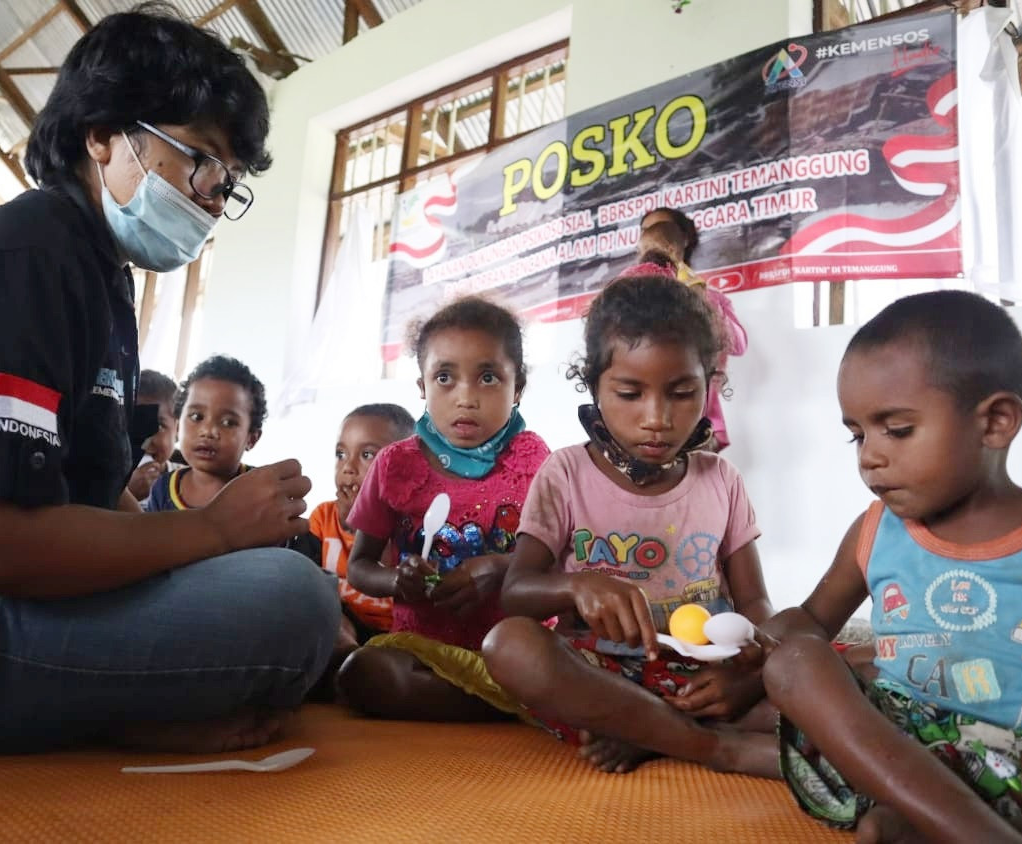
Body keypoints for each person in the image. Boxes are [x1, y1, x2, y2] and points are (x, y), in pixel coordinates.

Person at [0, 6, 338, 756]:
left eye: (228, 182)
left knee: (277, 579)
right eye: (199, 160)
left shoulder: (96, 278)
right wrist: (208, 530)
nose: (212, 196)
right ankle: (111, 717)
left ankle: (108, 708)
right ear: (103, 134)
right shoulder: (18, 259)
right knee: (292, 601)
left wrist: (211, 539)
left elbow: (79, 498)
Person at [757, 291, 1022, 843]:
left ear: (995, 422)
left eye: (896, 430)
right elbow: (809, 621)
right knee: (796, 665)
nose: (869, 456)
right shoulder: (877, 531)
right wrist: (751, 648)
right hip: (904, 752)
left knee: (889, 827)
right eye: (857, 434)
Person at [482, 274, 778, 776]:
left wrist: (748, 668)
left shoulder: (721, 479)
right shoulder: (565, 472)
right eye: (630, 393)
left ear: (710, 385)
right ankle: (711, 747)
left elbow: (756, 605)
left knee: (817, 675)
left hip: (703, 678)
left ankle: (652, 732)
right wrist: (576, 586)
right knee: (509, 646)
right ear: (594, 384)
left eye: (682, 392)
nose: (657, 417)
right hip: (601, 675)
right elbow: (516, 593)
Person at [337, 296, 550, 721]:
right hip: (426, 647)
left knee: (556, 662)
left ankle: (504, 694)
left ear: (518, 387)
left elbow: (557, 561)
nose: (465, 398)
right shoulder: (396, 464)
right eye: (445, 378)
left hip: (512, 646)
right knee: (362, 672)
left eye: (488, 377)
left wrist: (500, 567)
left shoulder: (534, 460)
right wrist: (398, 581)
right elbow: (360, 565)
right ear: (422, 386)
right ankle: (505, 705)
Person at [635, 206, 747, 451]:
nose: (652, 238)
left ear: (680, 242)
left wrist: (702, 302)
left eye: (661, 230)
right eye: (645, 232)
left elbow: (738, 344)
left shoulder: (709, 296)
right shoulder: (629, 299)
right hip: (642, 429)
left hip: (700, 430)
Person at [310, 403, 416, 645]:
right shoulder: (323, 518)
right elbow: (306, 589)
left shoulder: (417, 527)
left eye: (367, 455)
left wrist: (369, 520)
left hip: (398, 634)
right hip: (342, 627)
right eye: (341, 454)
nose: (347, 468)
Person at [145, 355, 263, 511]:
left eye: (228, 422)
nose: (208, 431)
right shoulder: (163, 489)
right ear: (179, 426)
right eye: (196, 417)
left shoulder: (260, 489)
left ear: (251, 438)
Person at [127, 369, 180, 505]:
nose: (145, 438)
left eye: (158, 426)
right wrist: (127, 492)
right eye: (135, 423)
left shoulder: (184, 480)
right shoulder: (110, 478)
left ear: (178, 430)